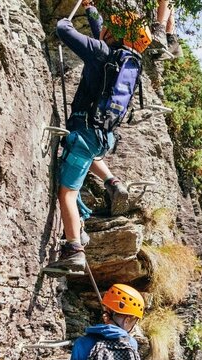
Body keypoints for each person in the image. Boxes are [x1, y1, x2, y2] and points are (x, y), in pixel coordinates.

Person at [44, 1, 152, 276]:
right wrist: (90, 10)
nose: (104, 29)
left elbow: (62, 30)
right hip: (103, 135)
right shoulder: (128, 60)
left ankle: (74, 251)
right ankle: (113, 183)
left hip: (84, 132)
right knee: (87, 157)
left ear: (115, 33)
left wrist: (68, 22)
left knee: (67, 192)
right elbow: (101, 30)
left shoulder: (102, 52)